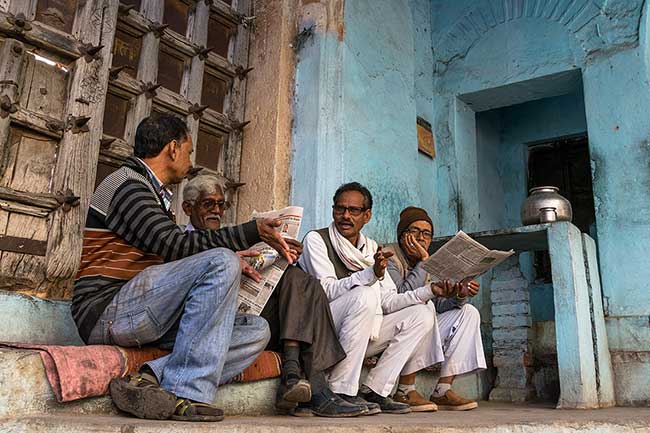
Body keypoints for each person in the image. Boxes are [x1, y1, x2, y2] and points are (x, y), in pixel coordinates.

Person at [72, 114, 295, 422]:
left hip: (143, 315)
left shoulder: (149, 192)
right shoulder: (127, 185)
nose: (190, 159)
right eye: (189, 150)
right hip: (107, 313)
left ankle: (149, 378)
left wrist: (235, 261)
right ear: (173, 148)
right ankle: (185, 392)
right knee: (221, 260)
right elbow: (172, 244)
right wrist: (249, 233)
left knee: (256, 331)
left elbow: (172, 254)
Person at [181, 175, 365, 418]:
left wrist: (280, 254)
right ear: (187, 208)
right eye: (208, 205)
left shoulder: (227, 235)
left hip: (261, 312)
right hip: (227, 320)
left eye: (221, 205)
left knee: (301, 278)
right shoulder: (181, 240)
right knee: (305, 285)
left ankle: (292, 375)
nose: (217, 211)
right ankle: (311, 386)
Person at [300, 182, 458, 414]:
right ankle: (339, 390)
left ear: (367, 216)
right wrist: (369, 274)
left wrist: (430, 292)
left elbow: (388, 302)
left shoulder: (371, 247)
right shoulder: (317, 240)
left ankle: (375, 390)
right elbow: (327, 291)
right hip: (323, 326)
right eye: (340, 209)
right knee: (363, 295)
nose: (345, 216)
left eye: (353, 211)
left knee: (423, 313)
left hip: (360, 328)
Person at [383, 206, 487, 411]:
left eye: (426, 233)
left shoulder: (429, 261)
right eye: (415, 231)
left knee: (469, 312)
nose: (421, 238)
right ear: (402, 235)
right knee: (423, 311)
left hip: (422, 322)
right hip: (394, 325)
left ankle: (442, 389)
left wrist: (459, 294)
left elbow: (440, 305)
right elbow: (400, 298)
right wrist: (423, 262)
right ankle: (404, 390)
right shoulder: (389, 256)